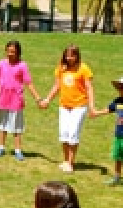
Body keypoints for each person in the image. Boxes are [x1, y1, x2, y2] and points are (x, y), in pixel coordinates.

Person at [38, 45, 95, 173]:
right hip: (64, 105)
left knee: (73, 133)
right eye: (67, 55)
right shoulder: (61, 68)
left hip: (79, 106)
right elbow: (57, 86)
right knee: (64, 133)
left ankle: (70, 162)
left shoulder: (83, 69)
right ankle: (65, 160)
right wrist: (47, 99)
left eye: (72, 55)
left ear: (77, 56)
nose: (69, 58)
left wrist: (91, 106)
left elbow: (89, 88)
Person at [0, 40, 42, 161]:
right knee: (2, 125)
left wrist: (37, 98)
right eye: (8, 51)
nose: (10, 54)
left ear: (18, 53)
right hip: (2, 99)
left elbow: (28, 83)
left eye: (13, 52)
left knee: (16, 127)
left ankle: (18, 150)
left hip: (16, 100)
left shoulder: (22, 65)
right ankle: (1, 147)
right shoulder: (0, 64)